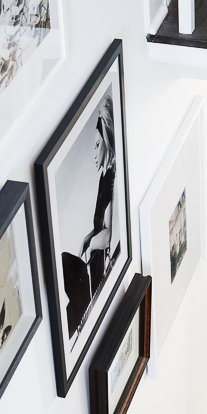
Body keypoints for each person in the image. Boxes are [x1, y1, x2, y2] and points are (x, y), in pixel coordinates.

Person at [81, 94, 116, 297]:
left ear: (106, 141)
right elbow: (99, 227)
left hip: (99, 264)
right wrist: (86, 240)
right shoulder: (103, 179)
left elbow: (108, 235)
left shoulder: (110, 176)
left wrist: (91, 245)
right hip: (94, 259)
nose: (94, 154)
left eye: (97, 145)